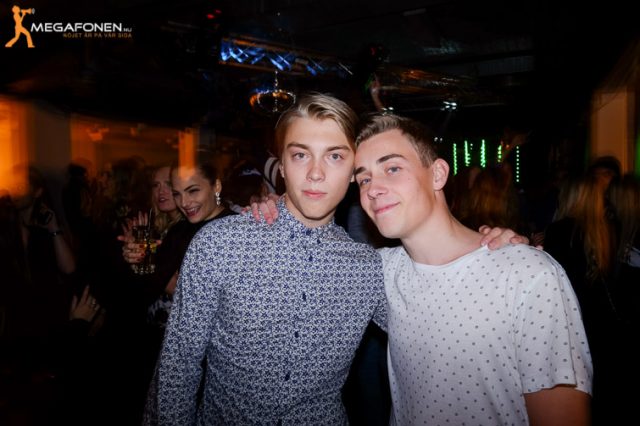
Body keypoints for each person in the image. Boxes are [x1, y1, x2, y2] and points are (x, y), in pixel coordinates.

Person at [148, 93, 523, 425]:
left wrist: (489, 252)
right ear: (282, 165)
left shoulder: (369, 267)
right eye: (300, 155)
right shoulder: (221, 244)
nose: (315, 173)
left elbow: (440, 316)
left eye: (335, 156)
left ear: (353, 172)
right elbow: (178, 366)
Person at [353, 113, 592, 425]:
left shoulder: (528, 274)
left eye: (393, 169)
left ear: (438, 174)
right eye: (364, 179)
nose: (373, 189)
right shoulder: (379, 273)